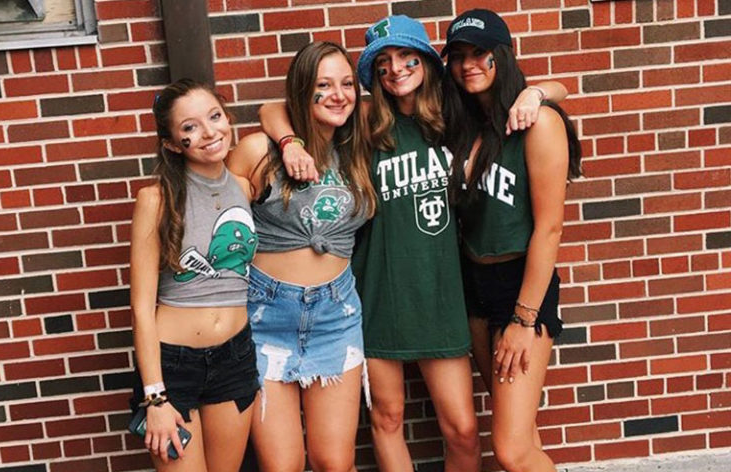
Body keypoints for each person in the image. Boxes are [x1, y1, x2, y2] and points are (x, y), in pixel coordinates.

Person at [259, 15, 567, 472]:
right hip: (378, 290)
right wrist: (289, 143)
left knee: (463, 429)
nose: (396, 69)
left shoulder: (455, 116)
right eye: (383, 62)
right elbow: (276, 108)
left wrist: (535, 93)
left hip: (443, 293)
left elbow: (551, 91)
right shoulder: (364, 121)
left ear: (426, 61)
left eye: (406, 57)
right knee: (387, 418)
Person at [443, 9, 582, 472]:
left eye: (480, 53)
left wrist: (524, 319)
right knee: (521, 432)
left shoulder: (537, 122)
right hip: (474, 286)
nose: (468, 65)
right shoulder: (464, 125)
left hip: (520, 287)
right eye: (458, 56)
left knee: (510, 449)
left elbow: (550, 228)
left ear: (501, 55)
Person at [226, 42, 375, 472]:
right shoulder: (260, 151)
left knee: (335, 462)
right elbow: (218, 224)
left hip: (336, 315)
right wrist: (289, 142)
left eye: (346, 84)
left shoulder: (359, 144)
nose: (338, 95)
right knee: (282, 465)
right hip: (265, 318)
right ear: (302, 90)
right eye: (322, 85)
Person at [129, 79, 260, 472]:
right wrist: (155, 397)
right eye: (190, 127)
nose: (208, 132)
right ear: (172, 144)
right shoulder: (155, 200)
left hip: (234, 357)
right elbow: (141, 309)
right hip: (172, 367)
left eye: (214, 116)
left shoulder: (244, 188)